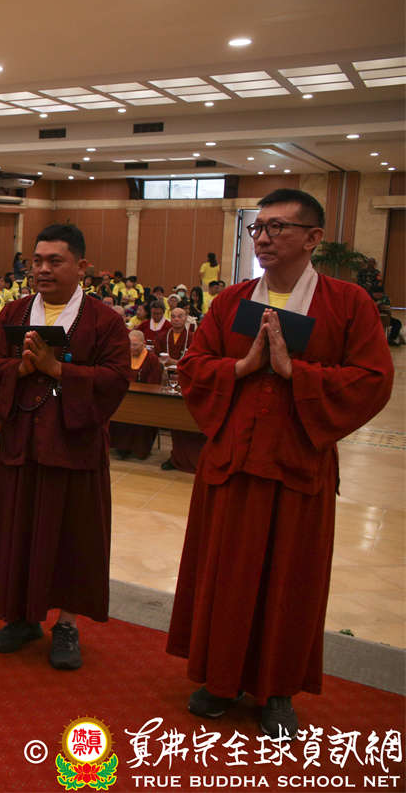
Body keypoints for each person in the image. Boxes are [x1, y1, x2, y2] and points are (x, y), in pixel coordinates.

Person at [167, 189, 393, 738]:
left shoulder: (347, 303)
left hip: (297, 465)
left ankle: (278, 689)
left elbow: (373, 380)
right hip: (234, 462)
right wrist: (242, 367)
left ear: (313, 238)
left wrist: (297, 373)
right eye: (258, 228)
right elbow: (194, 366)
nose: (263, 238)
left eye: (278, 228)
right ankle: (220, 679)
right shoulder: (232, 301)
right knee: (226, 573)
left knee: (290, 581)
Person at [0, 223, 130, 670]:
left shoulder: (104, 320)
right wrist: (21, 370)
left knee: (72, 537)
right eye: (37, 261)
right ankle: (21, 617)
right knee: (19, 529)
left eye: (54, 261)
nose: (42, 270)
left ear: (82, 267)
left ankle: (66, 624)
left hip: (73, 446)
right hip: (22, 442)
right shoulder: (14, 313)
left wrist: (58, 369)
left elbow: (117, 379)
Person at [160, 308, 205, 473]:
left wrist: (174, 362)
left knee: (187, 421)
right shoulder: (162, 336)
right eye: (173, 316)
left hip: (189, 381)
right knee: (174, 420)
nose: (176, 319)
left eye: (180, 316)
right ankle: (176, 457)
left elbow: (196, 359)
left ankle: (192, 459)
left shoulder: (193, 337)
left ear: (186, 318)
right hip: (165, 379)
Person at [109, 330, 165, 460]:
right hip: (124, 397)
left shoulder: (151, 359)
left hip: (144, 400)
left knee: (140, 415)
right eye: (129, 344)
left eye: (135, 345)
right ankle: (121, 447)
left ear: (143, 344)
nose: (131, 348)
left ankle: (139, 449)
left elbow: (154, 384)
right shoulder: (123, 356)